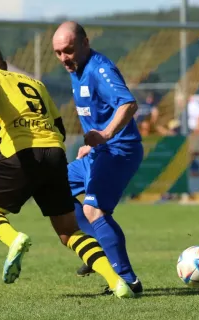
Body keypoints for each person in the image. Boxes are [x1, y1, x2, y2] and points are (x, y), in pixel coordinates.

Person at [0, 44, 135, 299]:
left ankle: (14, 239)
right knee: (69, 231)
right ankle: (117, 282)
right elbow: (59, 126)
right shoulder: (35, 83)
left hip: (22, 152)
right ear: (4, 63)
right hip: (54, 152)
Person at [52, 21, 143, 296]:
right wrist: (92, 144)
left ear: (85, 43)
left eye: (68, 50)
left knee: (94, 210)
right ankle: (96, 246)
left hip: (119, 150)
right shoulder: (76, 69)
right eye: (57, 52)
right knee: (52, 189)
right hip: (99, 152)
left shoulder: (100, 69)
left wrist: (104, 134)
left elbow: (128, 104)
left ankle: (128, 280)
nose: (63, 58)